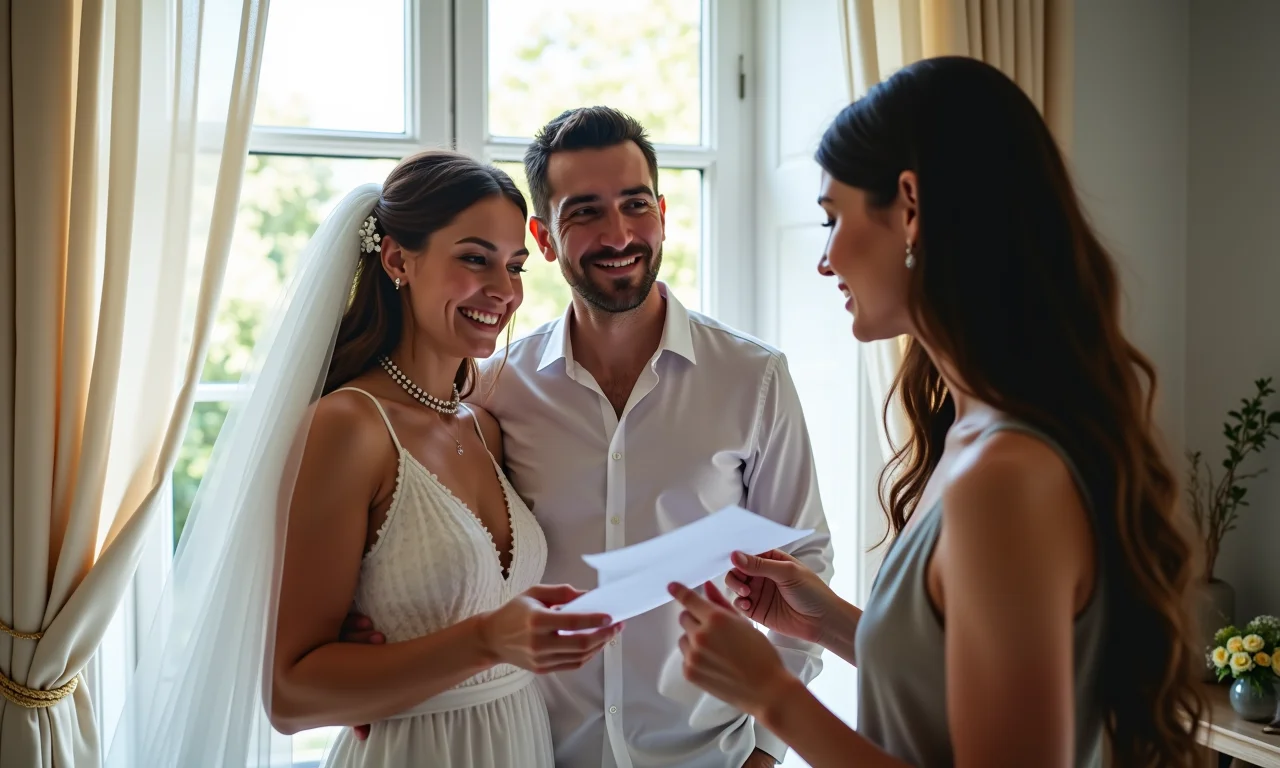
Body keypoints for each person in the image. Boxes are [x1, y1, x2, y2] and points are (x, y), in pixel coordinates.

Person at [667, 56, 1206, 768]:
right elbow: (967, 681)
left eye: (833, 218)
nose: (825, 260)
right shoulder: (971, 434)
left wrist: (772, 696)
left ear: (911, 208)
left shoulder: (1005, 475)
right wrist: (826, 622)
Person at [344, 107, 835, 768]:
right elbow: (432, 537)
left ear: (661, 211)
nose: (619, 233)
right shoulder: (493, 390)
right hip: (534, 750)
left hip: (709, 756)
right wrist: (370, 638)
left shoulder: (754, 378)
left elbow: (805, 561)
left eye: (635, 205)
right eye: (585, 213)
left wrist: (765, 751)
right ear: (543, 239)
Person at [269, 151, 623, 767]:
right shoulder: (349, 428)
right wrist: (487, 640)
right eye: (474, 258)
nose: (504, 291)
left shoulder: (487, 427)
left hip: (520, 744)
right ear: (398, 260)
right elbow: (291, 694)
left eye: (514, 266)